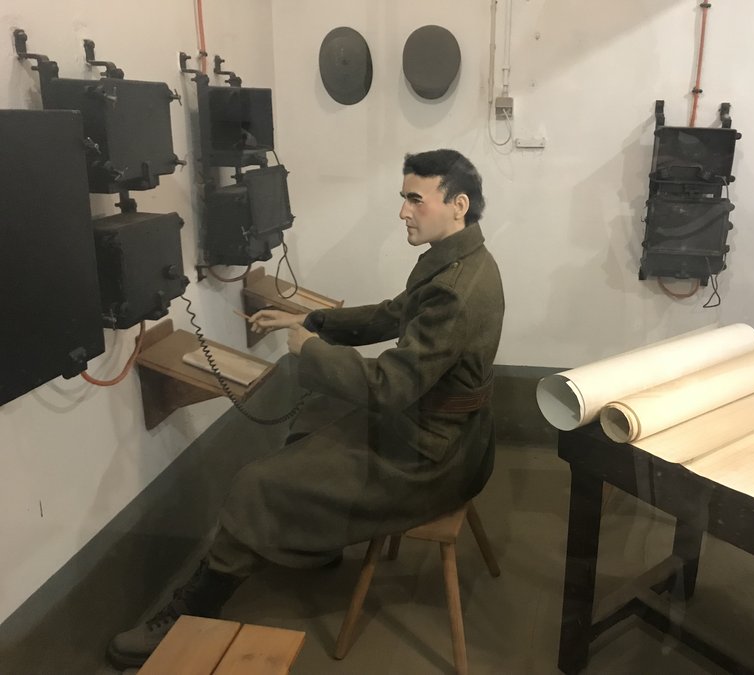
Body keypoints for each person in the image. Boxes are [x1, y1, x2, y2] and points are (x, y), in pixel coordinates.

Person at [107, 149, 505, 669]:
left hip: (434, 459)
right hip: (455, 434)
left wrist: (310, 350)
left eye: (415, 199)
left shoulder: (453, 289)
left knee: (257, 483)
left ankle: (192, 610)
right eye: (403, 198)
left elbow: (390, 386)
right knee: (313, 418)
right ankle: (316, 539)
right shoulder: (465, 261)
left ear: (458, 205)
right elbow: (395, 313)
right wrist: (312, 321)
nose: (403, 212)